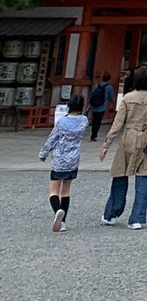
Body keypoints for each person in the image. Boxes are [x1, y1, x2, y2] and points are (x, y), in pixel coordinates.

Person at [99, 66, 147, 229]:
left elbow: (118, 123)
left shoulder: (128, 98)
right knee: (144, 176)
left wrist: (106, 144)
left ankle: (111, 213)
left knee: (120, 174)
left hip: (128, 137)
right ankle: (137, 218)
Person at [39, 94, 89, 231]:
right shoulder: (84, 121)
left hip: (59, 159)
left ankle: (57, 212)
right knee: (66, 191)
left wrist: (43, 153)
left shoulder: (61, 122)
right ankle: (63, 222)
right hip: (73, 159)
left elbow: (52, 139)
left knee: (53, 191)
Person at [87, 73, 115, 141]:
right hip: (102, 106)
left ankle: (93, 134)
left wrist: (89, 105)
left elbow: (91, 96)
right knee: (98, 121)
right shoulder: (109, 87)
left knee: (94, 120)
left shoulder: (96, 86)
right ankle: (94, 135)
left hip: (94, 106)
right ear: (109, 79)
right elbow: (111, 98)